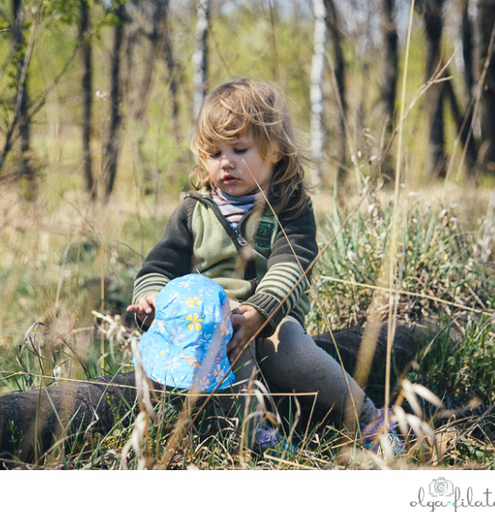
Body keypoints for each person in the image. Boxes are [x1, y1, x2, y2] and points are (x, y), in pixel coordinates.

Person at [127, 78, 398, 453]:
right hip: (212, 320)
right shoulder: (194, 209)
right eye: (213, 152)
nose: (225, 163)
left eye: (239, 149)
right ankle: (256, 438)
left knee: (292, 353)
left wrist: (260, 310)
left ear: (275, 151)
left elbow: (293, 263)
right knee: (220, 352)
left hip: (273, 317)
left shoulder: (288, 205)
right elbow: (160, 264)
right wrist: (151, 297)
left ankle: (367, 417)